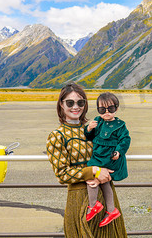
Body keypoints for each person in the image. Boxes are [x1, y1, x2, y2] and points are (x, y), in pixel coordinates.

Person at [46, 83, 127, 237]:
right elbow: (62, 174)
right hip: (79, 197)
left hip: (106, 195)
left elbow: (117, 148)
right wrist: (94, 171)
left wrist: (110, 168)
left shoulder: (97, 128)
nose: (75, 107)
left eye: (80, 102)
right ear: (61, 105)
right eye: (70, 103)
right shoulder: (57, 136)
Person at [84, 92, 131, 227]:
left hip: (109, 158)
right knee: (104, 182)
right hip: (99, 156)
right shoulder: (97, 121)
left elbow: (125, 140)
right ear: (98, 109)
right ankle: (111, 210)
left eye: (110, 109)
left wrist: (118, 151)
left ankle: (93, 205)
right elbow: (89, 136)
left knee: (93, 176)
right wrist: (89, 128)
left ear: (116, 108)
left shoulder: (120, 125)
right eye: (102, 109)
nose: (106, 112)